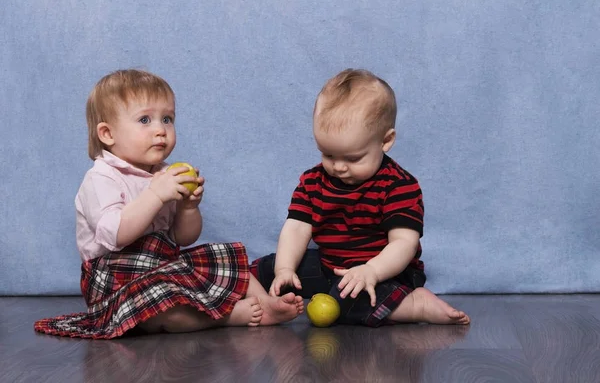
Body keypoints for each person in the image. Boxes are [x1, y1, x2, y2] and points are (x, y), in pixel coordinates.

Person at [34, 69, 303, 339]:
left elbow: (181, 238)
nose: (160, 130)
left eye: (167, 119)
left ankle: (265, 303)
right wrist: (156, 195)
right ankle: (225, 317)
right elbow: (115, 235)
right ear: (107, 133)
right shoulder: (101, 178)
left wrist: (188, 208)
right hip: (115, 276)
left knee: (221, 259)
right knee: (160, 312)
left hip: (160, 264)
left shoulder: (164, 174)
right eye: (144, 120)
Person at [251, 68, 470, 327]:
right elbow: (297, 228)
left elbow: (404, 243)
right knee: (261, 269)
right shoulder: (312, 182)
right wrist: (284, 270)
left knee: (353, 298)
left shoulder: (398, 185)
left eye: (353, 158)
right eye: (328, 155)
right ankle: (264, 299)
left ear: (385, 141)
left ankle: (415, 304)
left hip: (386, 272)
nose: (339, 167)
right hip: (330, 265)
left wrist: (371, 271)